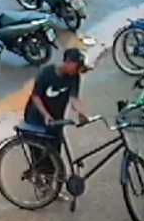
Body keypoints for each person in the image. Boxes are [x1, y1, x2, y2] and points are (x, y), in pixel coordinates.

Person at [22, 48, 92, 177]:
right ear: (68, 62)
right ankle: (40, 180)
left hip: (56, 120)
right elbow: (36, 97)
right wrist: (45, 114)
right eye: (77, 67)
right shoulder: (47, 73)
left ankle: (51, 182)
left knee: (55, 157)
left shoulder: (74, 77)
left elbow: (74, 98)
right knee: (40, 156)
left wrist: (82, 113)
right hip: (36, 118)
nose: (78, 70)